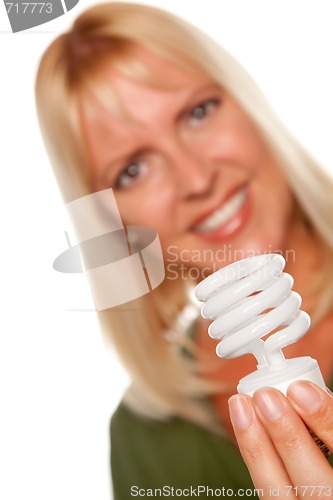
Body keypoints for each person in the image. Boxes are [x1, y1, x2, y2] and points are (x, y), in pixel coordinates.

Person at [35, 2, 333, 498]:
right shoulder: (146, 444)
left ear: (246, 102)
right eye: (133, 168)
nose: (197, 179)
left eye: (198, 112)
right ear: (113, 224)